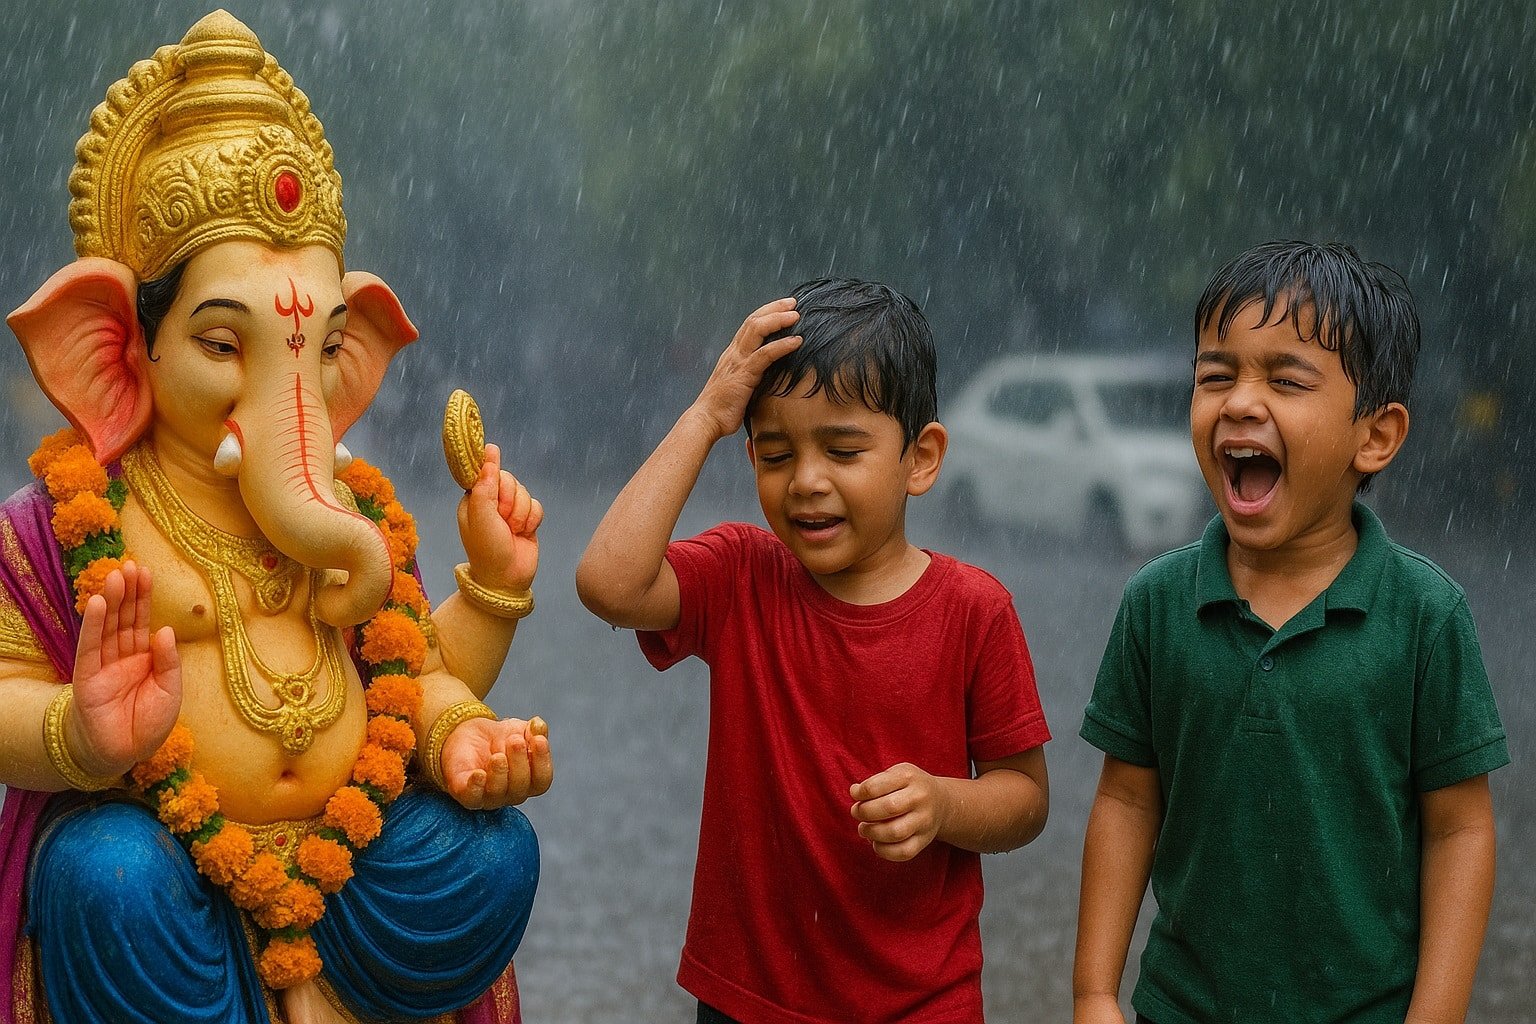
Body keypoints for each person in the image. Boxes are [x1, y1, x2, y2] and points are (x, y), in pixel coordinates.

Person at [577, 278, 1051, 1023]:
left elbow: (1024, 799)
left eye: (843, 449)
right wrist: (705, 416)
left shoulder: (974, 610)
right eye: (774, 454)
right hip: (748, 998)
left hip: (920, 1002)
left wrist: (943, 803)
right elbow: (608, 582)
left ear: (921, 459)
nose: (806, 482)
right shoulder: (743, 576)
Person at [1074, 241, 1509, 1024]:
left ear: (1373, 437)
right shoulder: (1157, 603)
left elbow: (1461, 831)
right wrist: (1094, 992)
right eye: (1216, 376)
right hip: (1181, 1008)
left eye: (1284, 379)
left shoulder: (1424, 615)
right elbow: (1128, 802)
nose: (1239, 402)